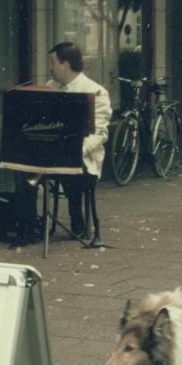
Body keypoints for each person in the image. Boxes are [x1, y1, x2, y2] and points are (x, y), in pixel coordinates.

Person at [45, 41, 111, 246]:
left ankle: (77, 218)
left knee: (73, 169)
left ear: (65, 65)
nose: (51, 68)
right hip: (51, 155)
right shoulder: (50, 87)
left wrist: (73, 150)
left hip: (81, 158)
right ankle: (28, 227)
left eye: (53, 63)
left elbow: (99, 134)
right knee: (20, 167)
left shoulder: (96, 92)